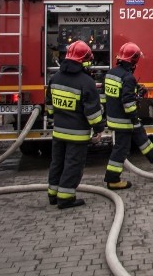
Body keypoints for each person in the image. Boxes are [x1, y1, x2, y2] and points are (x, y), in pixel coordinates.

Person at [46, 40, 105, 209]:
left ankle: (53, 194)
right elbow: (92, 112)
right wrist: (98, 128)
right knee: (73, 164)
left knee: (57, 162)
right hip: (77, 134)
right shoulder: (86, 82)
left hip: (58, 132)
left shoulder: (55, 78)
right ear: (83, 60)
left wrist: (55, 117)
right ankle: (65, 198)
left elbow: (49, 105)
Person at [103, 42, 153, 190]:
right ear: (133, 60)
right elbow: (127, 101)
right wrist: (133, 116)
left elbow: (117, 93)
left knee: (139, 133)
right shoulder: (128, 77)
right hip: (123, 119)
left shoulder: (111, 73)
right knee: (121, 149)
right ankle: (112, 179)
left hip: (114, 116)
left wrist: (135, 89)